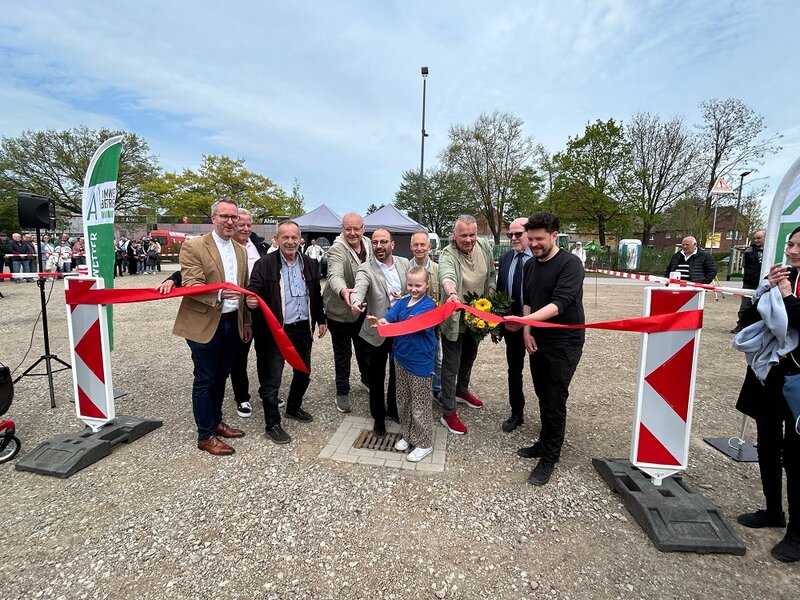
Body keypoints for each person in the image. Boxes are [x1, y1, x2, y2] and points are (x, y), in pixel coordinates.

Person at [733, 227, 800, 563]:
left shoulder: (791, 286)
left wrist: (787, 296)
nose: (791, 250)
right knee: (768, 445)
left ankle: (797, 534)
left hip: (797, 380)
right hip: (769, 373)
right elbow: (746, 320)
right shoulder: (779, 277)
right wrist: (763, 293)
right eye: (791, 243)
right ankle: (773, 511)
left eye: (799, 246)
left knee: (797, 457)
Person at [172, 197, 252, 456]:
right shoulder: (194, 246)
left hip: (232, 322)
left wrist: (247, 319)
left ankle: (216, 422)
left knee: (221, 376)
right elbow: (192, 284)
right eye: (225, 217)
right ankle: (205, 434)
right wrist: (218, 295)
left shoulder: (240, 250)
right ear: (213, 218)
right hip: (205, 323)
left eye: (234, 217)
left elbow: (244, 289)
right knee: (205, 378)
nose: (230, 221)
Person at [511, 212, 585, 486]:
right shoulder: (530, 266)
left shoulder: (571, 264)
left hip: (565, 343)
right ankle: (543, 443)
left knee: (554, 398)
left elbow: (560, 304)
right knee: (542, 393)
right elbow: (528, 299)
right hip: (538, 339)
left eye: (539, 239)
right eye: (530, 239)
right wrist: (528, 331)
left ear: (554, 236)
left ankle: (550, 457)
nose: (533, 244)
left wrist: (523, 322)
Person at [246, 220, 326, 445]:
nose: (290, 242)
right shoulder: (264, 264)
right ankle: (272, 424)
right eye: (285, 238)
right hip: (275, 331)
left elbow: (316, 294)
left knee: (303, 372)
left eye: (294, 237)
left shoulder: (309, 263)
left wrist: (321, 319)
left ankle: (293, 407)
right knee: (272, 379)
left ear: (300, 239)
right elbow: (254, 291)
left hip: (302, 327)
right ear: (277, 239)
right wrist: (250, 301)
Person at [368, 266, 437, 461]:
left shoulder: (429, 305)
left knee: (420, 404)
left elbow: (412, 325)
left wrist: (390, 325)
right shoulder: (403, 302)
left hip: (420, 363)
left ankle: (424, 443)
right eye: (410, 284)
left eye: (418, 285)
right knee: (403, 401)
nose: (413, 289)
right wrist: (381, 321)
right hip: (401, 359)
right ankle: (408, 434)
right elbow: (389, 317)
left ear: (427, 285)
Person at [438, 215, 496, 435]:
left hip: (477, 316)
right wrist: (452, 294)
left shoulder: (484, 246)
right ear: (454, 235)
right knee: (451, 364)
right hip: (455, 316)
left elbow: (491, 274)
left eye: (472, 234)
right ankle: (448, 410)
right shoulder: (448, 254)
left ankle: (462, 390)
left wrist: (489, 296)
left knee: (470, 356)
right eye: (464, 235)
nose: (469, 239)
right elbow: (447, 275)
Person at [349, 228, 411, 435]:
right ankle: (378, 417)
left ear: (392, 244)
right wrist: (355, 301)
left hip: (400, 329)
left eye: (383, 242)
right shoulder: (365, 268)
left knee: (397, 373)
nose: (379, 246)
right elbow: (359, 287)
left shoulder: (405, 264)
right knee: (376, 376)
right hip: (377, 330)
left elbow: (415, 288)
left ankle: (393, 409)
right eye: (375, 242)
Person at [322, 213, 372, 413]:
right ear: (342, 229)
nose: (352, 233)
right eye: (348, 229)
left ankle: (366, 379)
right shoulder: (336, 249)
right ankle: (342, 391)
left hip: (361, 309)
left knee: (364, 347)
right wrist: (344, 292)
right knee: (343, 353)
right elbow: (334, 275)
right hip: (340, 311)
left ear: (363, 228)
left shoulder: (368, 243)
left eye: (356, 229)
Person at [496, 218, 533, 433]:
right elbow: (502, 292)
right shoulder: (506, 258)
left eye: (518, 234)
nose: (512, 238)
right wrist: (499, 326)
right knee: (514, 370)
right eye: (509, 235)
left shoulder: (538, 260)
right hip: (511, 328)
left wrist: (525, 321)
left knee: (541, 375)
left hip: (534, 328)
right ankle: (516, 412)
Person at [409, 231, 442, 401]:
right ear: (411, 247)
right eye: (416, 244)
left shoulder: (438, 269)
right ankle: (413, 389)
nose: (419, 248)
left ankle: (437, 388)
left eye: (423, 245)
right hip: (411, 325)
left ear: (429, 247)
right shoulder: (405, 268)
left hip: (432, 326)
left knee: (437, 357)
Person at [732, 229, 765, 334]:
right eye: (755, 238)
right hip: (750, 282)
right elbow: (745, 266)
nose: (756, 240)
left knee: (763, 306)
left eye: (759, 238)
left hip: (765, 282)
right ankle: (741, 325)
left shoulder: (773, 250)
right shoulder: (749, 251)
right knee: (745, 306)